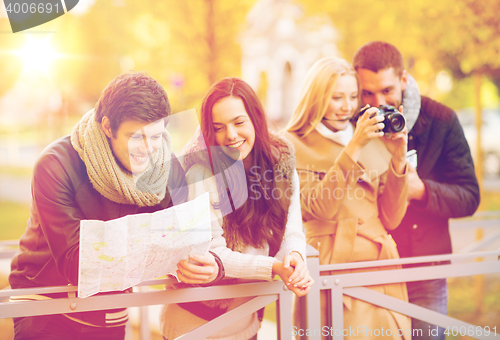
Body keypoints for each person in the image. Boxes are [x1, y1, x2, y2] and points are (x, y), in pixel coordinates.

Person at [8, 72, 222, 340]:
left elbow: (185, 242)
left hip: (109, 309)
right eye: (136, 137)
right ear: (107, 127)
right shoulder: (55, 164)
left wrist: (206, 261)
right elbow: (76, 262)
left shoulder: (164, 169)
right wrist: (157, 239)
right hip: (45, 302)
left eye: (156, 136)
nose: (148, 149)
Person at [160, 77, 314, 340]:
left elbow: (292, 229)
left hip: (246, 321)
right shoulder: (198, 170)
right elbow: (212, 251)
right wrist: (275, 268)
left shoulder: (280, 160)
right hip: (194, 325)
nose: (230, 135)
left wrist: (295, 256)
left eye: (239, 122)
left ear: (255, 119)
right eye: (218, 127)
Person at [353, 41, 480, 340]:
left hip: (425, 272)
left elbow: (470, 197)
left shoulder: (442, 120)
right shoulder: (350, 123)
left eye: (386, 91)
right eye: (367, 93)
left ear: (404, 80)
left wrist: (421, 191)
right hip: (370, 271)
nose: (376, 101)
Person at [284, 57, 411, 339]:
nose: (348, 106)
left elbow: (391, 218)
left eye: (353, 96)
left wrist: (399, 159)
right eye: (337, 97)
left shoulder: (371, 138)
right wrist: (354, 146)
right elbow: (320, 207)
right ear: (316, 99)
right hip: (333, 266)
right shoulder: (292, 144)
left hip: (381, 264)